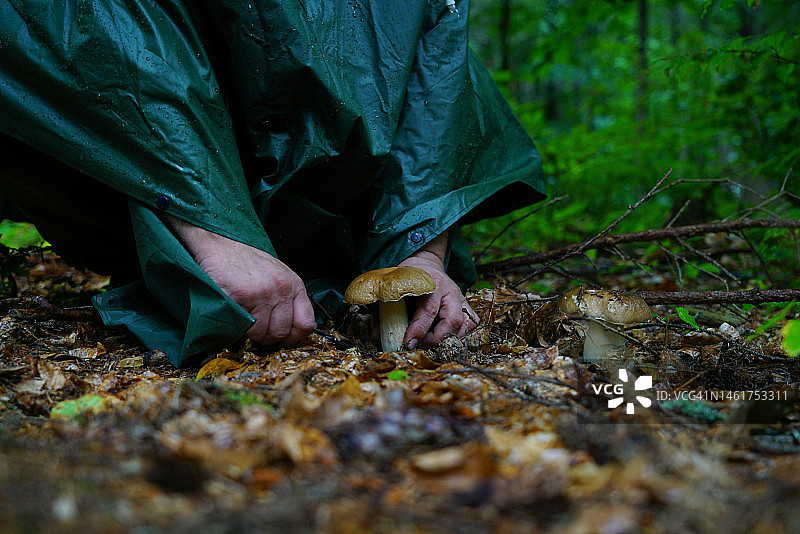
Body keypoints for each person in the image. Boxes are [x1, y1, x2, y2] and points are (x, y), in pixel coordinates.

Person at [0, 0, 544, 367]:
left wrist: (422, 251)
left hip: (342, 205)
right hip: (148, 189)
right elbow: (97, 35)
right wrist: (211, 229)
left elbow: (437, 74)